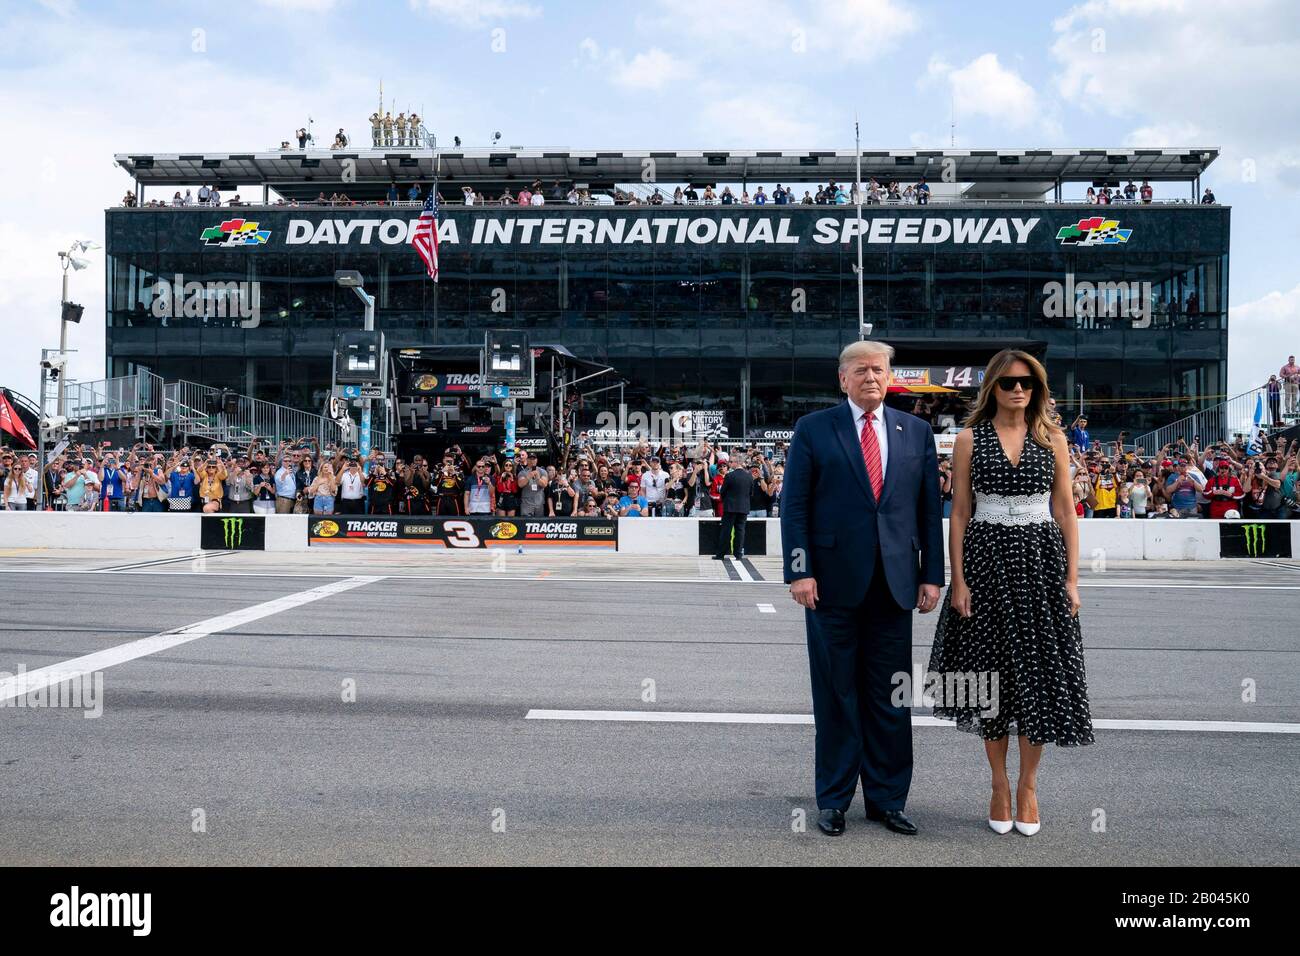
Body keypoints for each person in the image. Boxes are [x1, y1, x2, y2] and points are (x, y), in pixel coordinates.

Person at [780, 340, 944, 837]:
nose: (871, 377)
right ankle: (833, 800)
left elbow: (927, 511)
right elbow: (796, 507)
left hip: (894, 587)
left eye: (879, 369)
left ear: (889, 375)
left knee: (891, 697)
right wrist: (799, 570)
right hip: (829, 586)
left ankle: (888, 800)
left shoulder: (915, 431)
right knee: (835, 694)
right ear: (843, 379)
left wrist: (932, 574)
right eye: (861, 370)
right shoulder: (814, 429)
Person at [927, 349, 1093, 839]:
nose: (1018, 390)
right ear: (992, 388)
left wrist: (1072, 579)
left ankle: (1029, 787)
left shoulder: (1054, 439)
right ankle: (999, 784)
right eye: (1008, 383)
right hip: (986, 565)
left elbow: (1065, 512)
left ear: (1037, 389)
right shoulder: (967, 439)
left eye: (1027, 383)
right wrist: (958, 579)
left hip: (1041, 568)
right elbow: (959, 512)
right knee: (991, 679)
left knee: (1037, 682)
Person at [711, 461, 753, 559]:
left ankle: (721, 554)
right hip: (743, 507)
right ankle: (738, 554)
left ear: (735, 463)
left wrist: (727, 500)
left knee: (726, 531)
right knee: (740, 531)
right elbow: (751, 493)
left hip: (730, 507)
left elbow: (723, 491)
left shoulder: (729, 476)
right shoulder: (749, 476)